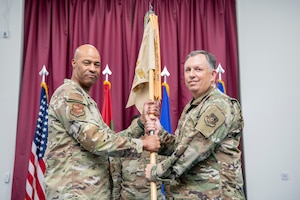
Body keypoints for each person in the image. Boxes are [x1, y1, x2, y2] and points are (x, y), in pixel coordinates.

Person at [44, 44, 161, 199]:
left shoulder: (86, 101)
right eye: (87, 63)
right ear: (74, 63)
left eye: (96, 64)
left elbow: (108, 138)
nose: (92, 68)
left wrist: (141, 122)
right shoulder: (69, 95)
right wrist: (143, 144)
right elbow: (95, 140)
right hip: (74, 193)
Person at [145, 50, 246, 199]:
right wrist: (160, 133)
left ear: (212, 75)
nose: (191, 74)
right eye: (188, 70)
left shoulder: (219, 106)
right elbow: (180, 147)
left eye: (198, 69)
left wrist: (157, 172)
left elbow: (194, 150)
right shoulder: (193, 107)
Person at [109, 115, 171, 200]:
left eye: (143, 129)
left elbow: (168, 183)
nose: (139, 134)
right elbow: (116, 181)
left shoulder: (160, 151)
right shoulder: (122, 152)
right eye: (137, 131)